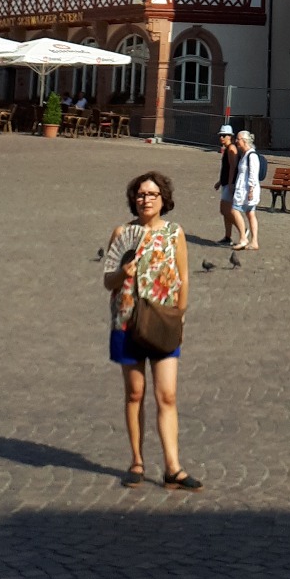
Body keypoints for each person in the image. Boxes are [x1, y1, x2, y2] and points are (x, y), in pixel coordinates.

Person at [103, 171, 200, 491]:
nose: (146, 200)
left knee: (167, 395)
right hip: (127, 321)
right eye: (141, 194)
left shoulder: (175, 233)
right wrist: (122, 272)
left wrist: (180, 316)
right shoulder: (122, 233)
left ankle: (173, 467)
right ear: (134, 199)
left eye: (152, 194)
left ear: (163, 199)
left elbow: (183, 278)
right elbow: (107, 282)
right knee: (134, 393)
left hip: (162, 322)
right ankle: (136, 461)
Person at [231, 128, 261, 250]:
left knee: (234, 210)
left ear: (244, 141)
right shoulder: (244, 155)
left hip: (246, 190)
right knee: (250, 214)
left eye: (238, 139)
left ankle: (244, 238)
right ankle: (254, 241)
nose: (236, 141)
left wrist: (251, 190)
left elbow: (253, 174)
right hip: (243, 189)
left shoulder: (251, 156)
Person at [214, 124, 238, 242]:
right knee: (226, 212)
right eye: (220, 135)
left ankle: (242, 229)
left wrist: (230, 183)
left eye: (224, 135)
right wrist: (220, 182)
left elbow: (233, 167)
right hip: (225, 183)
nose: (221, 137)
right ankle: (228, 236)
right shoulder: (227, 148)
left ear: (230, 136)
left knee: (225, 210)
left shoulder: (231, 148)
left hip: (229, 184)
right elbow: (226, 168)